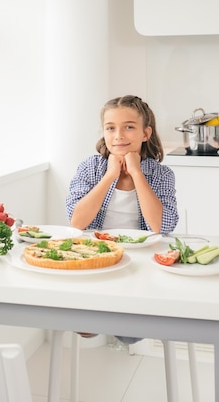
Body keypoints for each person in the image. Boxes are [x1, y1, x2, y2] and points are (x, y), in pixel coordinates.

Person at [66, 95, 179, 344]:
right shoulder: (91, 168)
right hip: (97, 259)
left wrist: (136, 172)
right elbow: (76, 222)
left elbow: (163, 225)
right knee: (83, 327)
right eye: (111, 128)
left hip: (141, 264)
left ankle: (120, 315)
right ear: (104, 133)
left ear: (145, 133)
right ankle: (104, 312)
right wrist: (110, 175)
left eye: (129, 126)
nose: (119, 135)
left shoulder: (161, 174)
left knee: (130, 334)